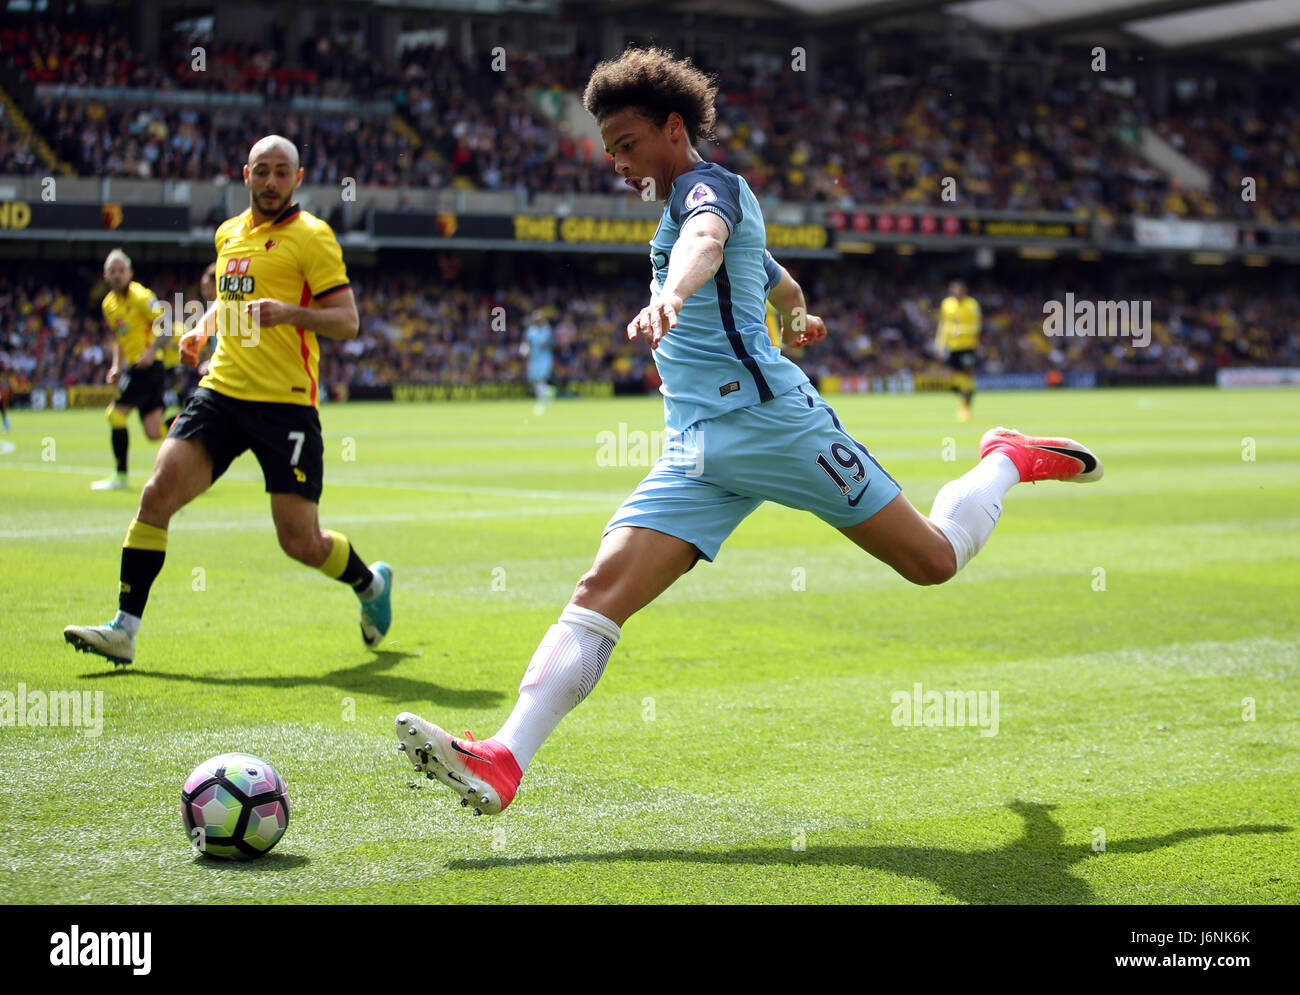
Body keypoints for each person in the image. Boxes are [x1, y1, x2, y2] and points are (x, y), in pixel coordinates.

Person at [393, 48, 1102, 815]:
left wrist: (672, 292)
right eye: (608, 151)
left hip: (774, 427)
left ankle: (1003, 459)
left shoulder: (709, 189)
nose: (619, 163)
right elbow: (780, 279)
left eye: (627, 144)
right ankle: (505, 758)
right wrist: (798, 321)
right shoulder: (687, 204)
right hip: (696, 448)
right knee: (600, 591)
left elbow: (705, 239)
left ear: (673, 127)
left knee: (932, 561)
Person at [64, 135, 393, 666]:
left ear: (298, 179)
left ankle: (371, 585)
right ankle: (124, 629)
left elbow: (347, 322)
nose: (270, 181)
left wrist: (289, 313)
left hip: (286, 406)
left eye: (281, 172)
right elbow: (229, 298)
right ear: (245, 175)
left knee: (300, 542)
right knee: (155, 496)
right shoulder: (228, 235)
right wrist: (201, 326)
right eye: (261, 171)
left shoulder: (313, 237)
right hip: (220, 393)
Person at [92, 249, 170, 490]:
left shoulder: (140, 296)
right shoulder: (109, 305)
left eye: (121, 271)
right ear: (105, 275)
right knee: (154, 431)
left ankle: (120, 476)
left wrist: (150, 351)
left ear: (130, 273)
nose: (117, 275)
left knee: (115, 415)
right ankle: (190, 423)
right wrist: (116, 365)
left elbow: (165, 325)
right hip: (136, 366)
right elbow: (119, 338)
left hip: (147, 366)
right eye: (112, 271)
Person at [934, 279, 981, 422]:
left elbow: (977, 326)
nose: (957, 293)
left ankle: (965, 408)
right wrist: (940, 343)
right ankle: (968, 392)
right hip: (952, 347)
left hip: (967, 346)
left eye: (959, 290)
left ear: (964, 291)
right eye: (954, 290)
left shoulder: (972, 304)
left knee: (966, 376)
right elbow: (944, 325)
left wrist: (962, 331)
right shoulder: (947, 304)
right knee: (950, 379)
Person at [520, 309, 556, 413]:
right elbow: (526, 343)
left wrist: (543, 344)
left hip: (545, 358)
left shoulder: (547, 330)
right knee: (534, 380)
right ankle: (548, 392)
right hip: (534, 358)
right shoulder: (531, 330)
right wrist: (524, 349)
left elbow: (549, 344)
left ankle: (542, 402)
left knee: (540, 379)